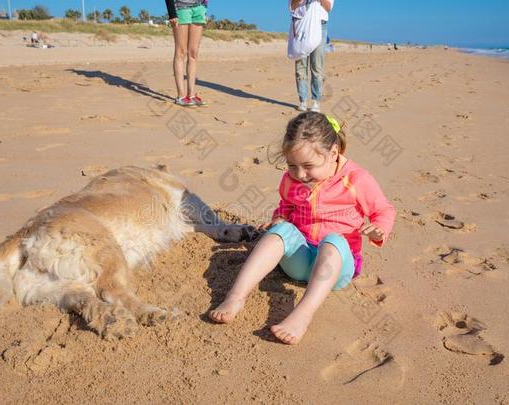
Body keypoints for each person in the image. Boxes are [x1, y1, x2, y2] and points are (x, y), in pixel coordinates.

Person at [210, 112, 396, 344]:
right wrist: (278, 219)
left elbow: (384, 210)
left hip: (336, 268)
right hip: (299, 261)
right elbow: (286, 207)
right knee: (278, 232)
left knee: (334, 241)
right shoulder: (292, 179)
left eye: (308, 166)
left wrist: (379, 228)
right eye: (292, 165)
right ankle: (235, 296)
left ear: (333, 154)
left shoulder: (357, 179)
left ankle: (302, 314)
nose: (300, 174)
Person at [290, 0, 334, 113]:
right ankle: (303, 101)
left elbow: (328, 7)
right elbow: (292, 6)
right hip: (300, 25)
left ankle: (316, 101)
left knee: (317, 66)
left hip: (320, 25)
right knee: (300, 66)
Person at [165, 0, 208, 106]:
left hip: (199, 8)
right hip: (181, 8)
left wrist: (204, 7)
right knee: (181, 51)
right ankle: (181, 96)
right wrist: (172, 13)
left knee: (193, 53)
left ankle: (191, 95)